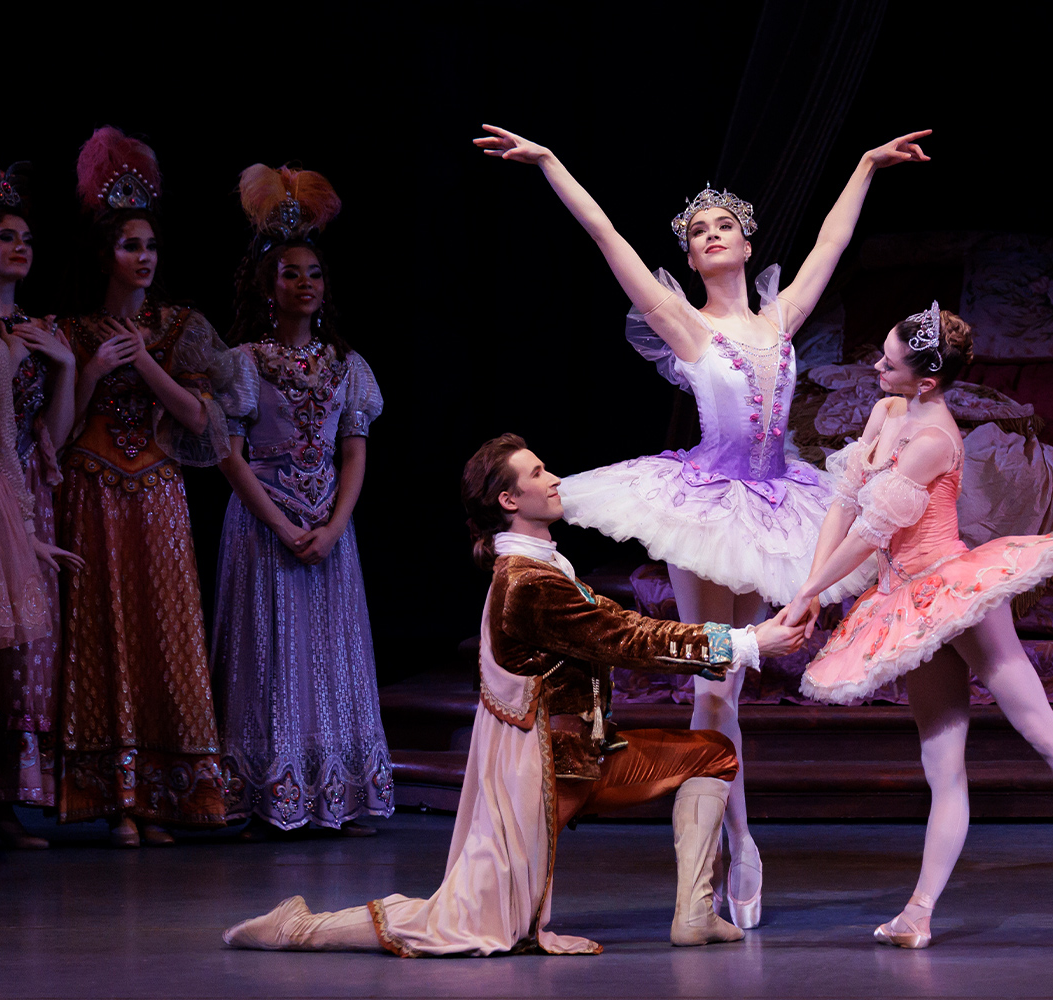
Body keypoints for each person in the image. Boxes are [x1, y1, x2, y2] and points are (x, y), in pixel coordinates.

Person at [473, 123, 929, 926]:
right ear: (689, 259)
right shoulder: (687, 324)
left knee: (728, 689)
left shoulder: (781, 317)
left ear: (747, 242)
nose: (711, 235)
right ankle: (733, 844)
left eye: (723, 226)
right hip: (707, 503)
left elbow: (833, 238)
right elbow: (604, 235)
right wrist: (550, 161)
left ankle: (728, 843)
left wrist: (861, 165)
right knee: (714, 676)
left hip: (779, 499)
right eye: (697, 232)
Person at [223, 434, 808, 954]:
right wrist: (747, 641)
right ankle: (298, 930)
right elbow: (626, 635)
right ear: (509, 501)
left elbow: (611, 621)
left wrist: (735, 642)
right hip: (556, 770)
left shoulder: (544, 568)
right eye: (537, 474)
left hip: (583, 755)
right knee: (457, 920)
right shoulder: (528, 583)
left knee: (710, 751)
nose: (553, 480)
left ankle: (696, 914)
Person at [782, 303, 1053, 948]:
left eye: (889, 362)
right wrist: (808, 591)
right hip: (905, 600)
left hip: (949, 587)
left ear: (926, 380)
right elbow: (844, 507)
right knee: (942, 762)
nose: (875, 367)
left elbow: (878, 528)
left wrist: (810, 593)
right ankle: (918, 913)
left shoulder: (933, 440)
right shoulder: (887, 414)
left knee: (1039, 726)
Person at [56, 127, 231, 847]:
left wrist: (145, 363)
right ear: (108, 254)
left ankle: (167, 800)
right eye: (131, 246)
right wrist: (94, 369)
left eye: (151, 247)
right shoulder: (70, 330)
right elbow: (56, 437)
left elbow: (201, 422)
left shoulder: (179, 326)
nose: (144, 258)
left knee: (166, 637)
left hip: (157, 490)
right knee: (105, 636)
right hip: (93, 489)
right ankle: (114, 801)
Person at [213, 163, 392, 838]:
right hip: (265, 522)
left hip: (328, 527)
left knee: (330, 654)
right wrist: (282, 523)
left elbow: (355, 448)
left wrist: (336, 524)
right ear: (268, 284)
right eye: (290, 273)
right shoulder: (243, 363)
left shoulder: (347, 366)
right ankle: (265, 793)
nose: (304, 284)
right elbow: (229, 453)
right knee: (270, 655)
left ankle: (336, 793)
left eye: (314, 273)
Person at [0, 153, 81, 848]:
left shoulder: (37, 329)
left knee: (20, 663)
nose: (20, 248)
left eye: (26, 238)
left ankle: (8, 806)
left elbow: (49, 435)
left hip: (20, 494)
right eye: (5, 237)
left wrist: (67, 366)